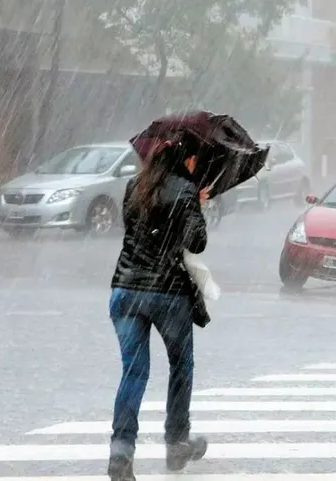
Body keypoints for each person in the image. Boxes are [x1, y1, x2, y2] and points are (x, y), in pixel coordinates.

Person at [107, 137, 211, 481]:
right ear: (185, 160)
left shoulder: (134, 186)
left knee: (133, 372)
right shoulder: (185, 189)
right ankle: (176, 442)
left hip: (125, 290)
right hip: (167, 293)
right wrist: (196, 205)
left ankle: (121, 450)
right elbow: (196, 242)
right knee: (181, 365)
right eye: (194, 159)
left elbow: (135, 229)